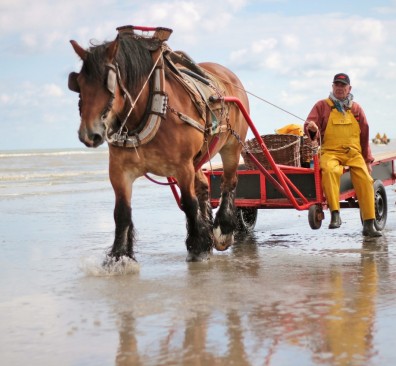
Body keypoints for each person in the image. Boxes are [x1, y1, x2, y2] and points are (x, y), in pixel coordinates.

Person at [304, 73, 382, 237]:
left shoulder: (356, 109)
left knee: (366, 179)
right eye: (337, 85)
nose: (339, 88)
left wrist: (367, 160)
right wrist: (311, 127)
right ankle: (335, 215)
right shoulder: (321, 105)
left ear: (349, 89)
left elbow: (365, 135)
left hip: (354, 153)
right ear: (332, 87)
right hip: (330, 152)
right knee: (329, 171)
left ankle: (369, 224)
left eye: (343, 86)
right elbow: (309, 127)